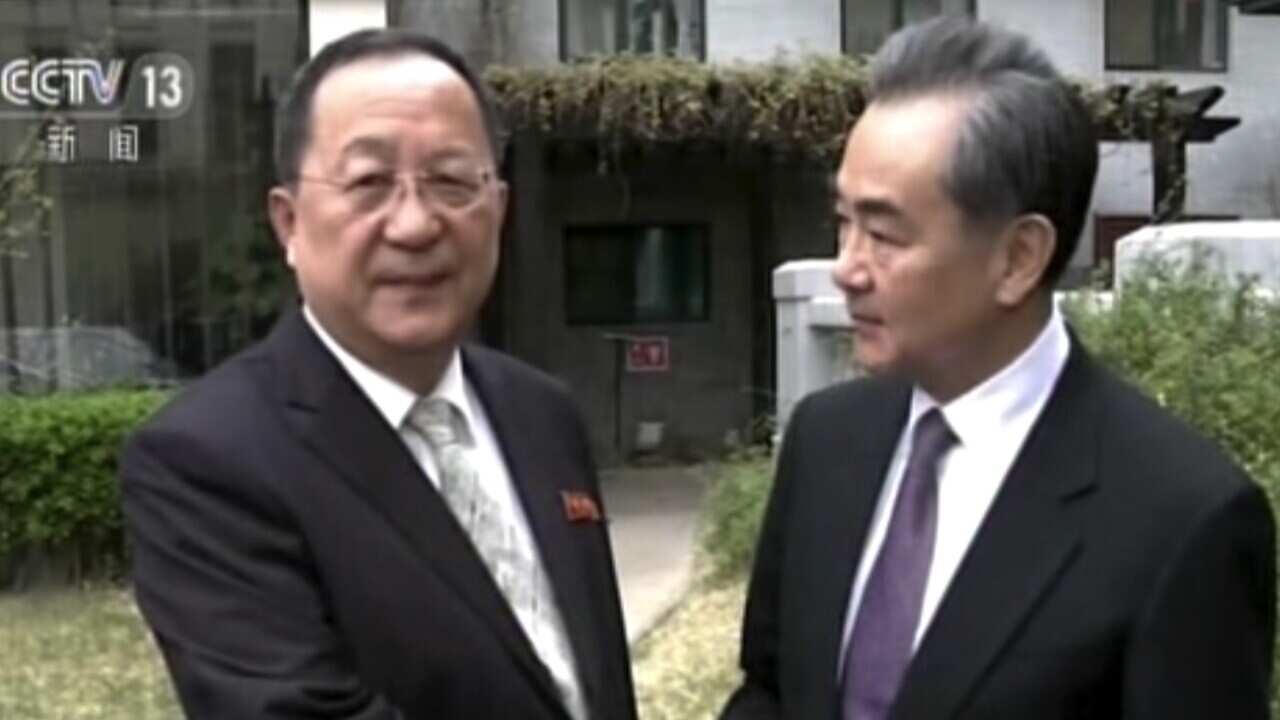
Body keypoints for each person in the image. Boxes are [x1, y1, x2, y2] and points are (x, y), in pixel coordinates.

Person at [721, 17, 1275, 720]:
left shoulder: (1184, 520)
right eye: (843, 222)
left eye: (884, 234)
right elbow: (769, 691)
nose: (847, 268)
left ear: (1017, 259)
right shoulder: (827, 441)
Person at [120, 29, 637, 720]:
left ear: (500, 210)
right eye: (368, 183)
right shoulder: (206, 462)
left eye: (452, 181)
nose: (416, 224)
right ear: (289, 223)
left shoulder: (542, 412)